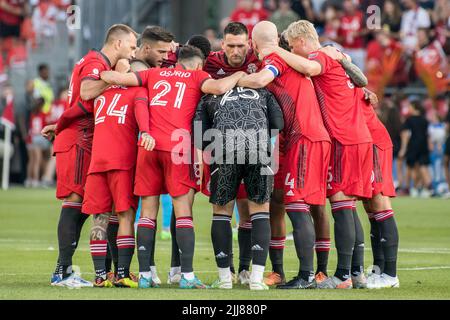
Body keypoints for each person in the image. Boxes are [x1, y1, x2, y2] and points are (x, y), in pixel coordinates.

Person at [100, 45, 246, 289]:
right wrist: (239, 75)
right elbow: (220, 87)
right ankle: (186, 276)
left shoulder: (153, 74)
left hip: (147, 147)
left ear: (177, 61)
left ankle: (145, 275)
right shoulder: (198, 76)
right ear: (198, 65)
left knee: (147, 213)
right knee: (183, 211)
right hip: (178, 146)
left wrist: (105, 71)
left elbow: (114, 77)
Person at [265, 20, 374, 289]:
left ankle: (343, 276)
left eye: (292, 46)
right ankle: (356, 273)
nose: (291, 50)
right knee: (346, 206)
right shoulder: (336, 54)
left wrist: (277, 51)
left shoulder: (319, 55)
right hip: (356, 137)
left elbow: (310, 67)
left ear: (301, 41)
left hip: (342, 139)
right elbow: (361, 80)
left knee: (340, 206)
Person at [41, 24, 138, 288]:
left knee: (90, 206)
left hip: (81, 139)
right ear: (117, 44)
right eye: (131, 47)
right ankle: (62, 271)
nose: (132, 54)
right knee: (75, 202)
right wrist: (113, 76)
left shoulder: (93, 60)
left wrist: (59, 123)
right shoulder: (96, 62)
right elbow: (86, 93)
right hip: (79, 140)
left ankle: (99, 271)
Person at [238, 21, 332, 289]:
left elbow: (260, 79)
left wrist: (233, 80)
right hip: (306, 138)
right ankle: (305, 273)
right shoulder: (290, 59)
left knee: (297, 206)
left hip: (304, 137)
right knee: (295, 203)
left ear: (254, 44)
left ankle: (305, 276)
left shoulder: (275, 58)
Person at [195, 86, 284, 290]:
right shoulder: (263, 92)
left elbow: (199, 130)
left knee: (222, 212)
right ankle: (256, 279)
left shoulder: (211, 93)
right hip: (259, 147)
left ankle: (225, 279)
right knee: (260, 210)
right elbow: (279, 123)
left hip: (224, 147)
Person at [203, 22, 261, 284]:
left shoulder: (258, 60)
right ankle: (222, 274)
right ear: (222, 44)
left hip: (255, 142)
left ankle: (246, 269)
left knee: (249, 208)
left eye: (241, 45)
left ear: (249, 43)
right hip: (220, 143)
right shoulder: (211, 63)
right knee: (222, 206)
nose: (236, 51)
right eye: (231, 45)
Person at [399, 99, 432, 198]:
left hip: (413, 146)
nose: (409, 108)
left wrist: (403, 149)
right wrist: (430, 145)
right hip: (423, 146)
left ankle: (408, 188)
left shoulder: (409, 120)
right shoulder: (425, 120)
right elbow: (428, 134)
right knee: (422, 167)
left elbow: (405, 134)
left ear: (414, 107)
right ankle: (426, 188)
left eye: (410, 106)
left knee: (410, 167)